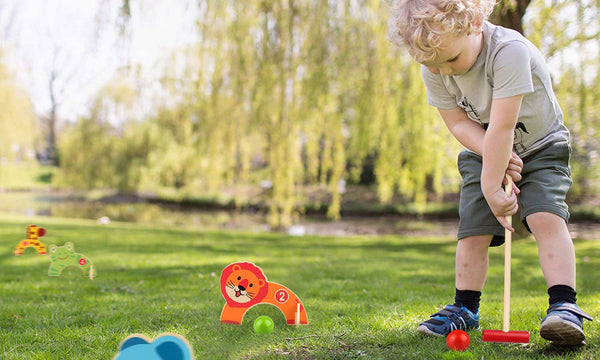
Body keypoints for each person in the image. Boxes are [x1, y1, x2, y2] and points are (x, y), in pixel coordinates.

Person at [388, 0, 593, 346]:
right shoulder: (435, 66)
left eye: (452, 60)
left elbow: (503, 127)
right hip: (484, 147)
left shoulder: (508, 52)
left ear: (474, 24)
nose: (446, 72)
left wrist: (493, 184)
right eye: (433, 65)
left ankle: (564, 306)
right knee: (472, 231)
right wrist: (490, 158)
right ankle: (464, 309)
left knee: (546, 217)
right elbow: (457, 122)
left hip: (541, 146)